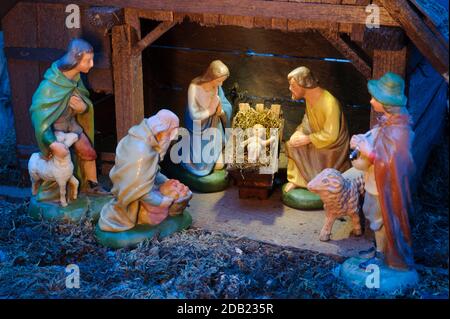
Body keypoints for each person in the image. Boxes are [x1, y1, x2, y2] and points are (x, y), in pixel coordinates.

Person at [351, 72, 415, 270]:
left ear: (386, 103)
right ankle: (377, 248)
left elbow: (393, 162)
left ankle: (382, 255)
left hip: (384, 188)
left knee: (380, 219)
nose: (370, 100)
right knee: (372, 215)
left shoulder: (399, 130)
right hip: (374, 182)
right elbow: (380, 143)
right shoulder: (387, 122)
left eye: (375, 98)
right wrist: (364, 140)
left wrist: (368, 152)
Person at [29, 38, 107, 201]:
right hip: (55, 131)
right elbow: (39, 116)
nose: (92, 64)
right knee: (59, 165)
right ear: (75, 60)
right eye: (88, 60)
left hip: (72, 126)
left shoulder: (75, 79)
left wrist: (83, 108)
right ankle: (55, 194)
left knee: (89, 152)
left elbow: (84, 102)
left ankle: (91, 185)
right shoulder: (49, 87)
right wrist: (51, 142)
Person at [99, 109, 190, 232]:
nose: (170, 141)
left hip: (135, 190)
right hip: (129, 196)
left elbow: (149, 173)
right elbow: (139, 190)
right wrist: (162, 201)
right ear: (161, 132)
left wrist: (165, 181)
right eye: (170, 135)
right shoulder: (143, 151)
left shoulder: (141, 136)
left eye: (178, 189)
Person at [284, 66, 351, 192]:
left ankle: (315, 182)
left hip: (332, 147)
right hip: (318, 139)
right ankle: (298, 181)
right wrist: (299, 133)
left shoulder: (329, 103)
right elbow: (307, 121)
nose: (290, 89)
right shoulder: (311, 99)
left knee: (299, 146)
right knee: (292, 144)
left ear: (304, 85)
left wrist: (308, 139)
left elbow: (331, 135)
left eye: (293, 86)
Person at [181, 60, 233, 176]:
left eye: (222, 81)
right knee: (200, 166)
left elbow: (225, 105)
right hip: (198, 130)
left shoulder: (217, 87)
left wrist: (221, 112)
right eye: (219, 81)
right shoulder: (194, 87)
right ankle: (191, 157)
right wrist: (210, 110)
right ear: (211, 77)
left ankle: (218, 152)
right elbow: (193, 115)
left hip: (214, 129)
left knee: (219, 165)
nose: (221, 85)